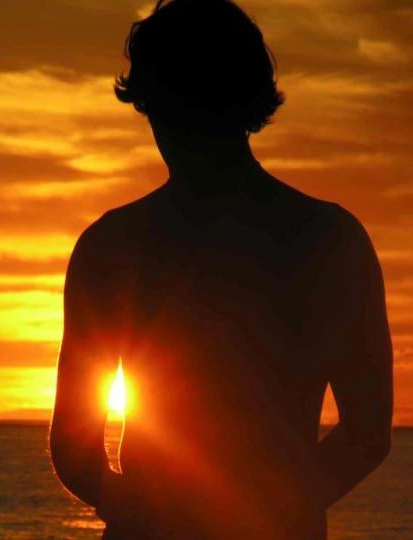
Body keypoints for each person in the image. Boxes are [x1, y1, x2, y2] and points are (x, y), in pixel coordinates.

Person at [48, 0, 394, 538]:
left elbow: (73, 447)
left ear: (151, 101)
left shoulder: (112, 245)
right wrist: (280, 509)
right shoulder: (331, 237)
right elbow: (367, 432)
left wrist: (144, 509)